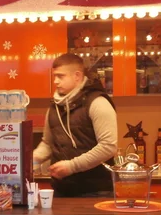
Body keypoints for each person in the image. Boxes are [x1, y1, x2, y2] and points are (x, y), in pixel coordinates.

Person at [33, 53, 117, 197]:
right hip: (62, 189)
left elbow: (108, 146)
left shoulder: (97, 102)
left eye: (61, 76)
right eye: (54, 76)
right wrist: (30, 161)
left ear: (77, 76)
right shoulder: (54, 107)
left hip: (96, 191)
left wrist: (71, 166)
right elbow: (47, 143)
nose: (55, 81)